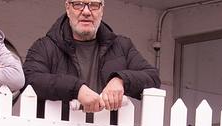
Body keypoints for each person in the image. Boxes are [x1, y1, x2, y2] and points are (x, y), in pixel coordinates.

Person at [23, 0, 160, 112]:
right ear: (68, 8)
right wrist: (76, 89)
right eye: (78, 4)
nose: (87, 12)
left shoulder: (122, 46)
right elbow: (29, 79)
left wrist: (120, 79)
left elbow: (153, 78)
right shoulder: (45, 46)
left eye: (94, 5)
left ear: (102, 10)